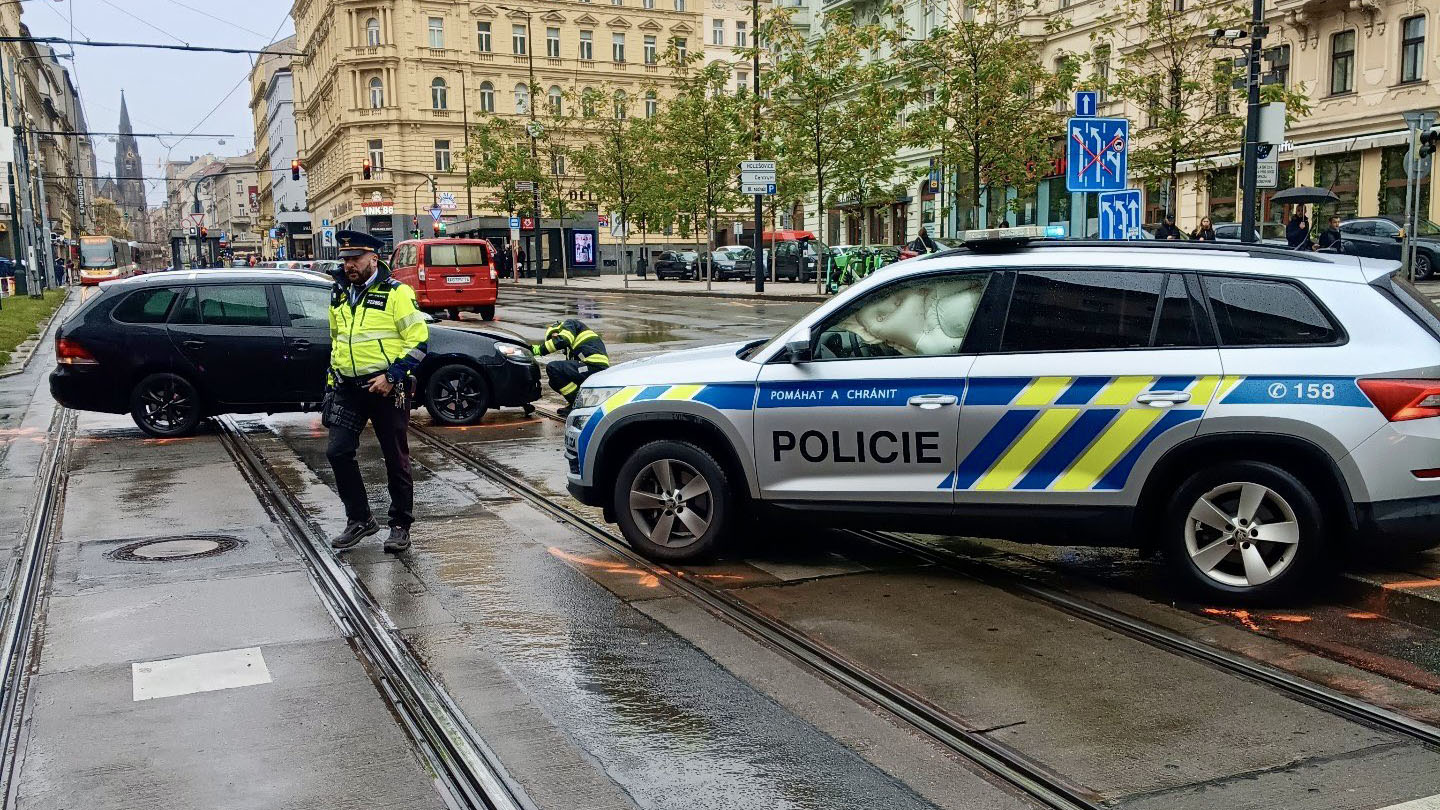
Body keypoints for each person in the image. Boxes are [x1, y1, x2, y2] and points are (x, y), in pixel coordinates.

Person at [324, 229, 430, 553]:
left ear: (373, 258)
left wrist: (393, 376)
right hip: (348, 387)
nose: (349, 265)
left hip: (387, 388)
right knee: (337, 451)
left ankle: (400, 525)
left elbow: (419, 341)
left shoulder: (396, 293)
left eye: (355, 258)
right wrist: (332, 380)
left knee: (395, 458)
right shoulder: (339, 293)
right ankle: (360, 519)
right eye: (345, 259)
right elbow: (337, 339)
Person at [531, 319, 609, 417]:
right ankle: (577, 403)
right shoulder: (573, 343)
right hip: (589, 367)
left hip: (593, 365)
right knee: (554, 381)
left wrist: (538, 350)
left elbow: (563, 340)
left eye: (554, 337)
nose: (554, 340)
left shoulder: (569, 324)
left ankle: (578, 405)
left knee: (553, 368)